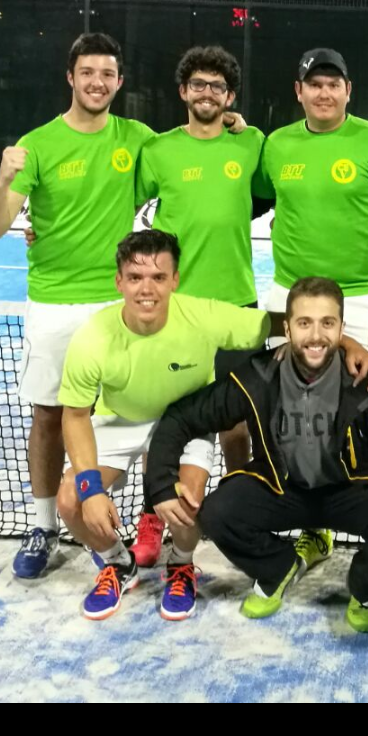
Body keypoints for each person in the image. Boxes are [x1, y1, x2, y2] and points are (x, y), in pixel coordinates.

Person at [55, 236, 368, 622]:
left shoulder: (203, 316)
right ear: (119, 281)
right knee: (70, 501)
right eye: (135, 277)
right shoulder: (93, 337)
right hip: (121, 419)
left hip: (186, 420)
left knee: (189, 500)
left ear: (175, 280)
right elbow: (74, 415)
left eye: (158, 277)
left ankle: (181, 565)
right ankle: (117, 563)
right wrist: (92, 489)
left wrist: (348, 345)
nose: (147, 289)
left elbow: (292, 323)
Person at [145, 277, 368, 633]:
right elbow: (184, 416)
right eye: (304, 323)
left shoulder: (366, 383)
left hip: (349, 492)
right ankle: (277, 567)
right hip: (284, 490)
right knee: (218, 511)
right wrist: (160, 483)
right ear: (288, 328)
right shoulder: (259, 376)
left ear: (341, 327)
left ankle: (367, 586)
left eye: (327, 323)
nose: (315, 335)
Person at [0, 31, 153, 581]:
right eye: (87, 73)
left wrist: (234, 125)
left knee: (134, 417)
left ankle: (141, 520)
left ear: (119, 83)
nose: (97, 82)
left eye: (107, 74)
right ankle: (44, 525)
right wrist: (4, 178)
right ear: (71, 78)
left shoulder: (139, 138)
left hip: (116, 304)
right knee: (49, 416)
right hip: (53, 303)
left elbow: (193, 149)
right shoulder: (38, 144)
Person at [131, 44, 266, 565]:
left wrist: (240, 123)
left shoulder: (250, 142)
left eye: (218, 86)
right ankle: (151, 513)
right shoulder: (159, 151)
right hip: (175, 308)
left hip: (236, 305)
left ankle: (237, 507)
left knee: (238, 421)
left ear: (230, 96)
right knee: (165, 420)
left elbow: (274, 192)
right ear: (183, 91)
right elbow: (118, 203)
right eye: (198, 84)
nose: (207, 93)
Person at [255, 48, 368, 367]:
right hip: (288, 295)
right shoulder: (276, 145)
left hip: (361, 300)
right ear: (299, 91)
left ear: (348, 90)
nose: (324, 93)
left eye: (333, 84)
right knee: (285, 402)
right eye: (315, 85)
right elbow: (252, 203)